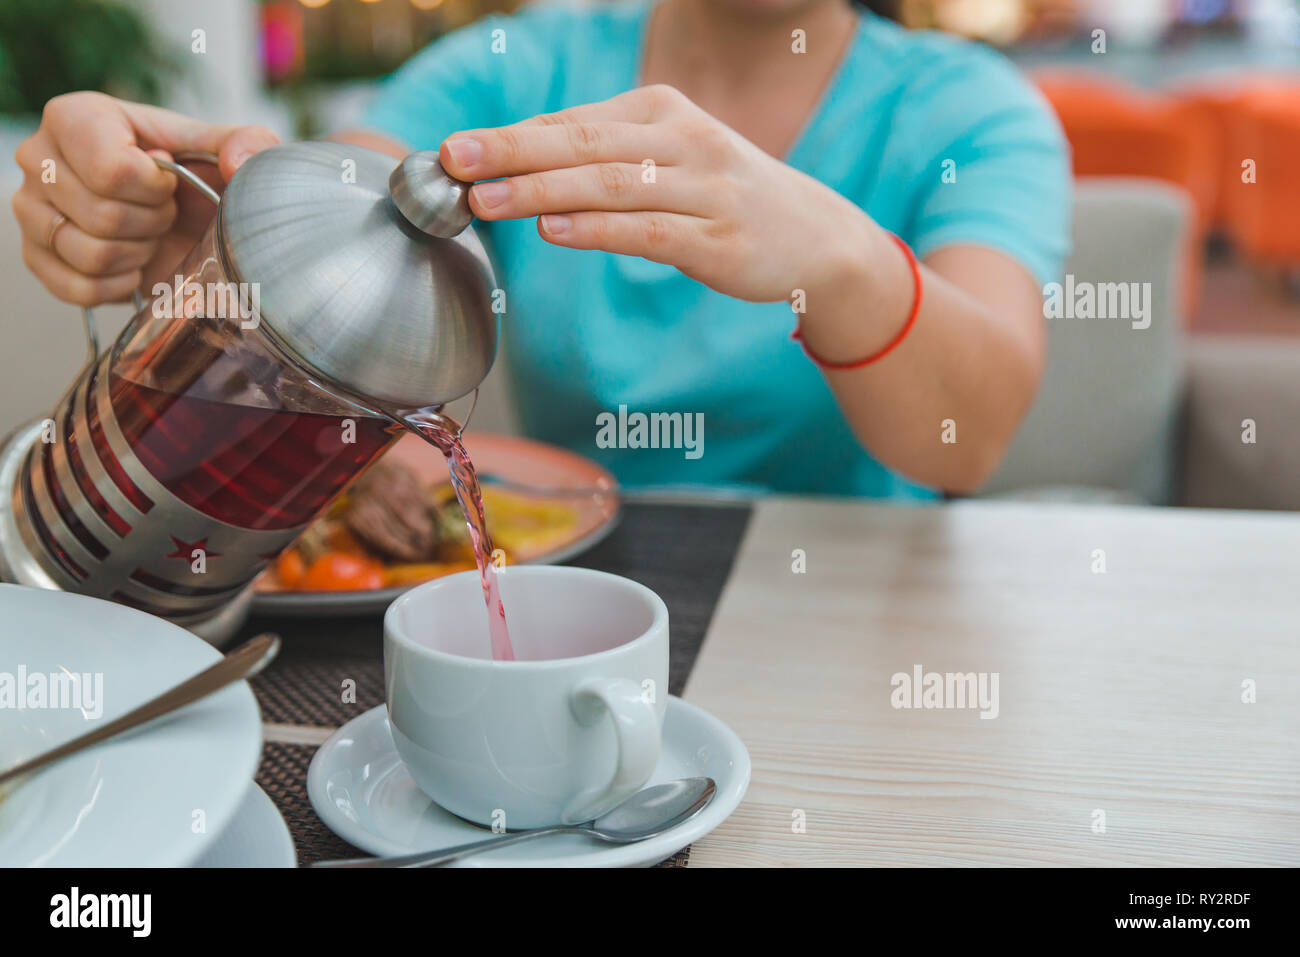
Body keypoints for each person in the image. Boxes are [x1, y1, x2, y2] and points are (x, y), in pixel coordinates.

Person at [10, 0, 1070, 499]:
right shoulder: (517, 64)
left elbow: (962, 440)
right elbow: (352, 201)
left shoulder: (968, 108)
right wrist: (232, 253)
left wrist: (837, 255)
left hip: (861, 617)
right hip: (568, 584)